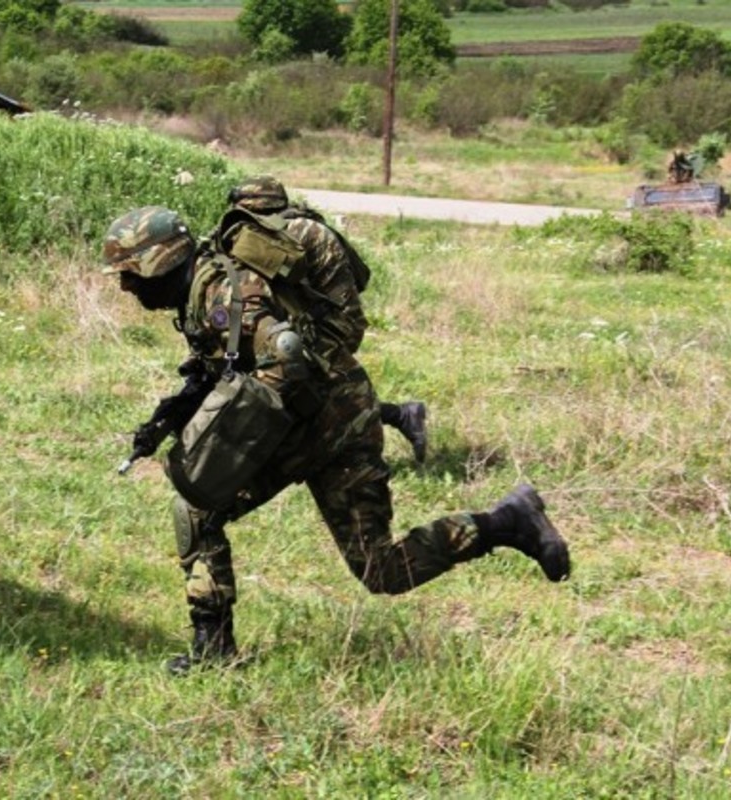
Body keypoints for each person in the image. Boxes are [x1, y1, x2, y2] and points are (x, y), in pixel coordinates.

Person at [101, 206, 571, 674]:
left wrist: (226, 433)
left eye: (129, 274)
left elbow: (284, 356)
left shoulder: (222, 290)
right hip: (330, 418)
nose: (126, 287)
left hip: (328, 425)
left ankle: (214, 650)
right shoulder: (203, 291)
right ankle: (510, 521)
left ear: (157, 262)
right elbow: (230, 365)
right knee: (374, 566)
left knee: (207, 512)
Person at [224, 175, 428, 465]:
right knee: (305, 388)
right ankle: (401, 415)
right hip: (321, 321)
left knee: (307, 389)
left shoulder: (297, 231)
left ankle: (396, 419)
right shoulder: (287, 228)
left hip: (339, 326)